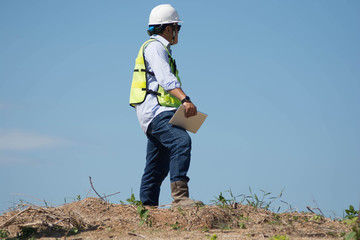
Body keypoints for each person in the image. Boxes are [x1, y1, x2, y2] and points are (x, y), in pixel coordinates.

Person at [129, 4, 202, 207]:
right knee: (181, 142)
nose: (178, 32)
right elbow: (165, 79)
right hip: (156, 112)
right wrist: (185, 99)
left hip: (155, 114)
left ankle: (147, 209)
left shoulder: (160, 49)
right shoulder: (155, 47)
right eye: (177, 27)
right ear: (168, 28)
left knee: (156, 167)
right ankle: (180, 199)